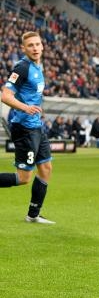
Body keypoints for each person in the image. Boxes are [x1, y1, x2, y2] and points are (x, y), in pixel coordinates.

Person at [0, 31, 55, 224]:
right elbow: (5, 95)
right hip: (24, 128)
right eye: (30, 45)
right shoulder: (22, 67)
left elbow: (32, 94)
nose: (35, 48)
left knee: (46, 168)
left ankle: (33, 215)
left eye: (37, 44)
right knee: (24, 177)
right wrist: (26, 108)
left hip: (37, 126)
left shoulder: (38, 67)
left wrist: (36, 110)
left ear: (42, 46)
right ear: (24, 48)